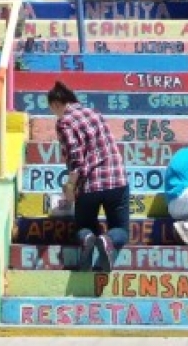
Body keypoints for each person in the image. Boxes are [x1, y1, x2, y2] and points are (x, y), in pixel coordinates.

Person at [50, 80, 129, 272]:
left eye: (52, 109)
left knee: (84, 226)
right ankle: (108, 240)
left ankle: (87, 240)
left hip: (90, 185)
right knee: (122, 229)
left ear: (57, 104)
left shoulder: (64, 122)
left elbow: (76, 157)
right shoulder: (95, 114)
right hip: (116, 179)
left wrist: (70, 186)